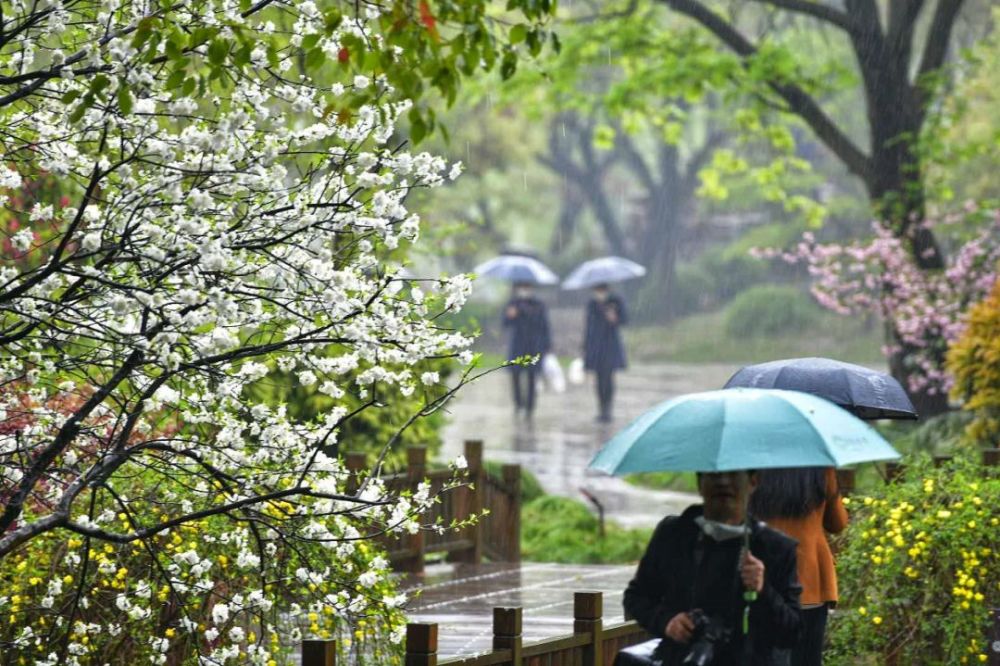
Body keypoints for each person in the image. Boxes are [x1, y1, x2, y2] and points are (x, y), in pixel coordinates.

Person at [622, 470, 802, 666]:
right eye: (714, 475)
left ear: (753, 481)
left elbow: (791, 633)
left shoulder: (774, 548)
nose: (723, 482)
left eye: (733, 475)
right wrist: (666, 621)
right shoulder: (674, 534)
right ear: (700, 483)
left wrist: (763, 590)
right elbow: (636, 597)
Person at [748, 468, 848, 666]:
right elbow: (838, 523)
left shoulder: (754, 464)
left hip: (762, 580)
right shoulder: (820, 467)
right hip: (810, 582)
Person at [503, 282, 551, 418]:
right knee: (515, 377)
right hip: (517, 346)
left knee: (532, 377)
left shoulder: (538, 304)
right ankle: (518, 404)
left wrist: (547, 345)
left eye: (527, 287)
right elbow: (505, 323)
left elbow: (544, 325)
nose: (524, 290)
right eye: (522, 287)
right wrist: (510, 315)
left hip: (533, 346)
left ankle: (530, 407)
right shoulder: (513, 303)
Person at [583, 284, 627, 422]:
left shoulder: (615, 302)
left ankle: (608, 409)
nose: (600, 292)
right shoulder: (592, 304)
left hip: (610, 345)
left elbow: (624, 319)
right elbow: (589, 326)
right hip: (596, 346)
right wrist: (586, 346)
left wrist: (614, 318)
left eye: (602, 289)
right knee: (598, 379)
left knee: (608, 378)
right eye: (597, 290)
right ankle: (601, 409)